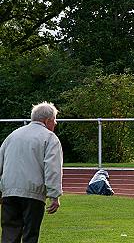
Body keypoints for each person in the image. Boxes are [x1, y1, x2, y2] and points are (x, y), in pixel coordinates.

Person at [0, 102, 63, 243]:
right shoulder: (50, 138)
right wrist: (54, 195)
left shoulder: (12, 136)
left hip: (9, 192)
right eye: (54, 120)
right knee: (30, 235)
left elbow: (1, 164)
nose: (55, 124)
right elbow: (52, 168)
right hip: (33, 194)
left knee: (9, 233)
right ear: (48, 121)